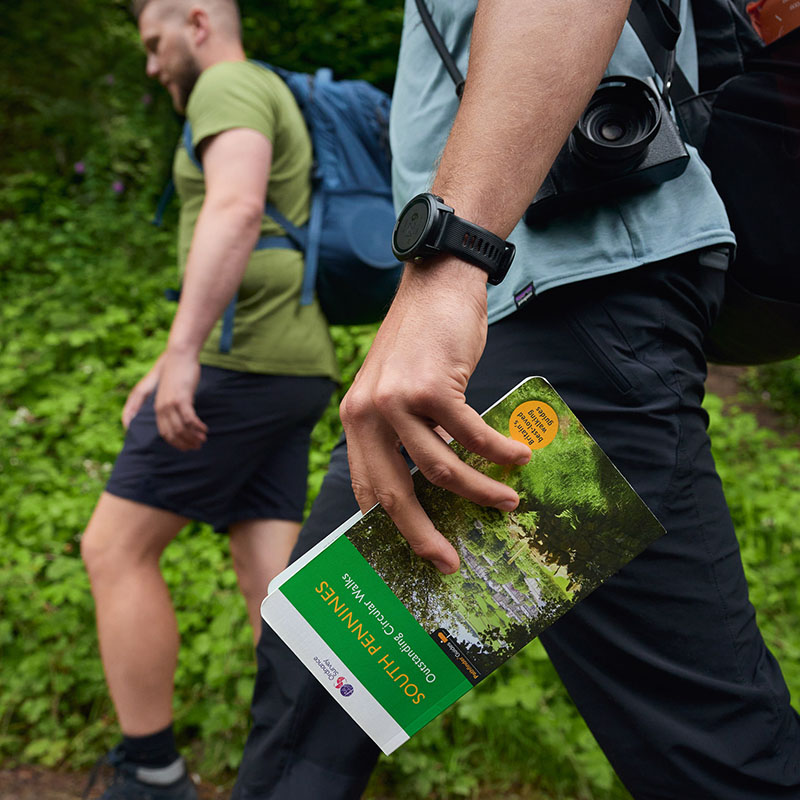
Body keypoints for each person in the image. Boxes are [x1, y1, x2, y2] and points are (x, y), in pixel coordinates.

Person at [232, 0, 800, 798]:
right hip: (510, 306)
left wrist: (451, 259)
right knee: (321, 671)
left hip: (564, 302)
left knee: (711, 753)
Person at [80, 0, 338, 796]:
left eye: (155, 44)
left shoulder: (225, 88)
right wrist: (171, 354)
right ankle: (307, 773)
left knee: (115, 549)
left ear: (197, 22)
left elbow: (233, 207)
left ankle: (151, 774)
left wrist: (186, 353)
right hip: (293, 364)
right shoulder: (264, 88)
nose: (153, 65)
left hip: (243, 361)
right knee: (274, 582)